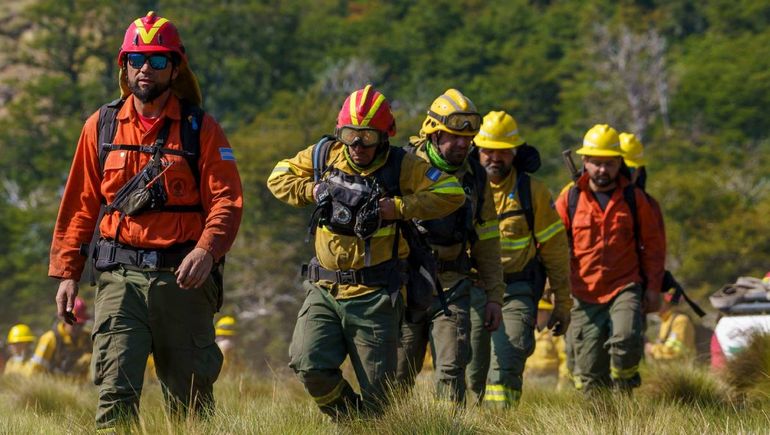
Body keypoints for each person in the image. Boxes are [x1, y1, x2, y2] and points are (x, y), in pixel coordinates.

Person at [48, 11, 243, 430]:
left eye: (157, 60)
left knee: (190, 401)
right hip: (119, 280)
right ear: (124, 66)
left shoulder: (200, 129)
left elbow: (227, 202)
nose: (145, 69)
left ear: (175, 68)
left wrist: (207, 251)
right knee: (114, 393)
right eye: (136, 59)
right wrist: (67, 273)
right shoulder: (100, 126)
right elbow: (80, 204)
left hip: (183, 281)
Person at [267, 85, 464, 418]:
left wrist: (397, 208)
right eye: (350, 135)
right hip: (325, 289)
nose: (357, 146)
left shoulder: (403, 166)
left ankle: (368, 424)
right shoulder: (323, 155)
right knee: (307, 363)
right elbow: (278, 176)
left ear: (385, 136)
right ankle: (350, 420)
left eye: (367, 137)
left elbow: (451, 192)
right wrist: (312, 190)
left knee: (379, 399)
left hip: (375, 296)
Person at [396, 89, 504, 404]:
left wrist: (494, 297)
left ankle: (449, 424)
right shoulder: (404, 166)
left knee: (452, 368)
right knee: (398, 372)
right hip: (407, 285)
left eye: (467, 138)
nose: (462, 144)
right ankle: (388, 424)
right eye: (455, 136)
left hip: (453, 284)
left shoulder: (476, 177)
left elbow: (488, 241)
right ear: (434, 133)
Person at [469, 111, 571, 407]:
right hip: (472, 289)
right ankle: (468, 422)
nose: (495, 158)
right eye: (488, 150)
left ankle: (501, 420)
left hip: (515, 290)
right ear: (477, 150)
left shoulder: (532, 192)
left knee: (509, 354)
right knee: (470, 365)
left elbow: (555, 249)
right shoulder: (461, 187)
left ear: (515, 152)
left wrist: (562, 303)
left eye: (503, 151)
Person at [555, 124, 665, 392]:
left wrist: (653, 289)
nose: (602, 170)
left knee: (626, 339)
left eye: (609, 163)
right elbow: (551, 245)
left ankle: (625, 385)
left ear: (619, 163)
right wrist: (553, 286)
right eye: (596, 163)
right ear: (585, 161)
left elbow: (653, 247)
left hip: (624, 287)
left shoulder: (634, 199)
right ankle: (601, 415)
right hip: (583, 293)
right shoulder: (570, 198)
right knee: (590, 372)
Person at [28, 297, 92, 377]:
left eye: (81, 324)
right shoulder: (50, 339)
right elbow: (36, 369)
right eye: (74, 323)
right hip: (52, 383)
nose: (78, 328)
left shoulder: (86, 338)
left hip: (79, 384)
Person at [523, 298, 570, 389]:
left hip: (549, 379)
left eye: (540, 311)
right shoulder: (529, 331)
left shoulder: (555, 333)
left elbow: (564, 358)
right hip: (529, 378)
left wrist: (562, 382)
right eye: (536, 311)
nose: (537, 314)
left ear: (548, 313)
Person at [645, 289, 696, 362]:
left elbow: (675, 351)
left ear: (665, 303)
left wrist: (652, 349)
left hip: (679, 367)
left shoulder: (680, 320)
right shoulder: (666, 321)